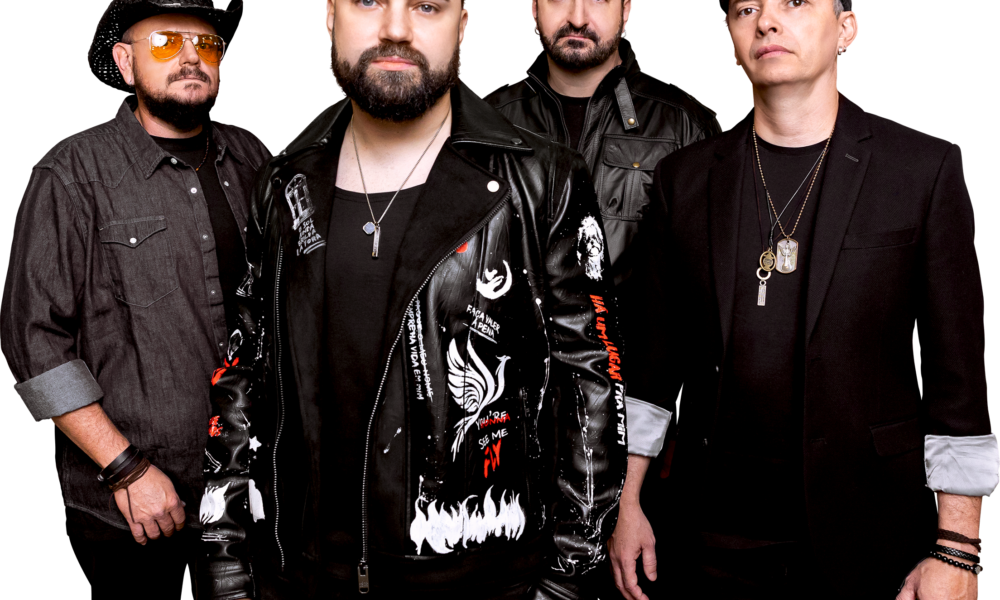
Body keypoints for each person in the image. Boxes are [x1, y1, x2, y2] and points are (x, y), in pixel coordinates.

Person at [202, 1, 627, 599]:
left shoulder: (542, 179)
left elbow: (592, 384)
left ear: (462, 26)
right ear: (328, 17)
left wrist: (565, 582)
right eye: (368, 1)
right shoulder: (283, 181)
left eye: (426, 5)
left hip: (481, 581)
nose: (396, 29)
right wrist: (226, 564)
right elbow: (243, 374)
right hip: (302, 577)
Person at [613, 1, 999, 599]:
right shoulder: (682, 179)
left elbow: (958, 381)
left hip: (870, 537)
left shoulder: (923, 169)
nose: (767, 21)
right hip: (710, 538)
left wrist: (958, 550)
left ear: (846, 29)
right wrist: (627, 501)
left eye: (795, 1)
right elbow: (652, 367)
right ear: (731, 39)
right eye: (747, 8)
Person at [1, 1, 268, 597]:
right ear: (125, 63)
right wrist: (126, 469)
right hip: (137, 512)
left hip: (252, 495)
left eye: (207, 45)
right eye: (168, 42)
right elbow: (33, 344)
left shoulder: (253, 157)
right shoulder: (71, 172)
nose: (192, 57)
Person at [486, 7, 720, 591]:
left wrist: (668, 437)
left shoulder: (685, 125)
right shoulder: (484, 121)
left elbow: (708, 304)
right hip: (506, 436)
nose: (577, 15)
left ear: (627, 9)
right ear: (533, 8)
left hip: (640, 444)